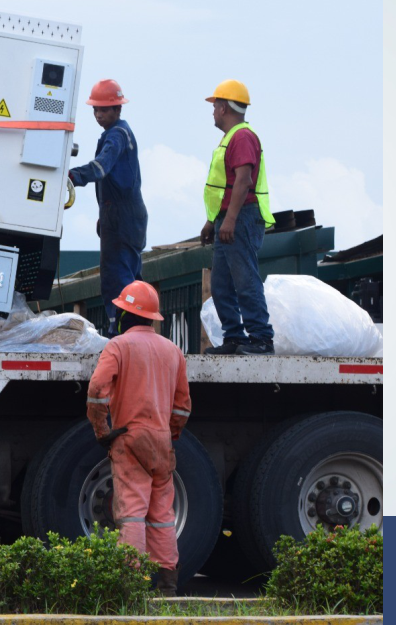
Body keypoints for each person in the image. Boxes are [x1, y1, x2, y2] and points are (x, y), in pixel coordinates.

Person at [85, 280, 192, 596]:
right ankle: (168, 583)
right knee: (161, 516)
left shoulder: (118, 346)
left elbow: (96, 391)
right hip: (161, 442)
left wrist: (102, 431)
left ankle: (131, 583)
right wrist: (170, 435)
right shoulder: (172, 350)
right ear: (151, 317)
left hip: (129, 438)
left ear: (124, 315)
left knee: (132, 512)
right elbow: (183, 405)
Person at [199, 80, 276, 355]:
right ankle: (234, 336)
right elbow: (226, 185)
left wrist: (229, 220)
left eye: (214, 107)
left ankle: (261, 338)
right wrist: (213, 221)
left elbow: (243, 181)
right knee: (220, 284)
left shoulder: (242, 137)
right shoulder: (233, 137)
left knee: (245, 280)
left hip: (241, 217)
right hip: (229, 217)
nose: (212, 113)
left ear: (222, 107)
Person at [68, 78, 147, 337]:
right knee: (132, 276)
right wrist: (104, 214)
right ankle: (135, 329)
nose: (98, 114)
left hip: (121, 216)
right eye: (95, 110)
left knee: (117, 276)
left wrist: (69, 176)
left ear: (117, 109)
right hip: (126, 215)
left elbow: (100, 168)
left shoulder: (116, 136)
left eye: (103, 109)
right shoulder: (121, 133)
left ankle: (121, 331)